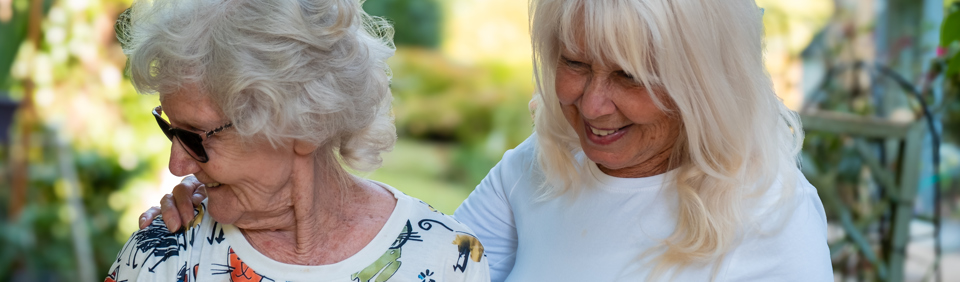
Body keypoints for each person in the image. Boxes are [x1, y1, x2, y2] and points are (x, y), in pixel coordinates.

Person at [141, 0, 833, 281]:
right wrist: (208, 219)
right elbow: (419, 262)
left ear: (703, 81)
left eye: (629, 76)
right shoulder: (542, 166)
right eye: (575, 63)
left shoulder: (772, 216)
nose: (591, 104)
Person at [107, 0, 489, 281]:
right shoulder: (164, 251)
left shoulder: (447, 259)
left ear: (306, 124)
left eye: (194, 136)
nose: (177, 166)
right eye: (171, 129)